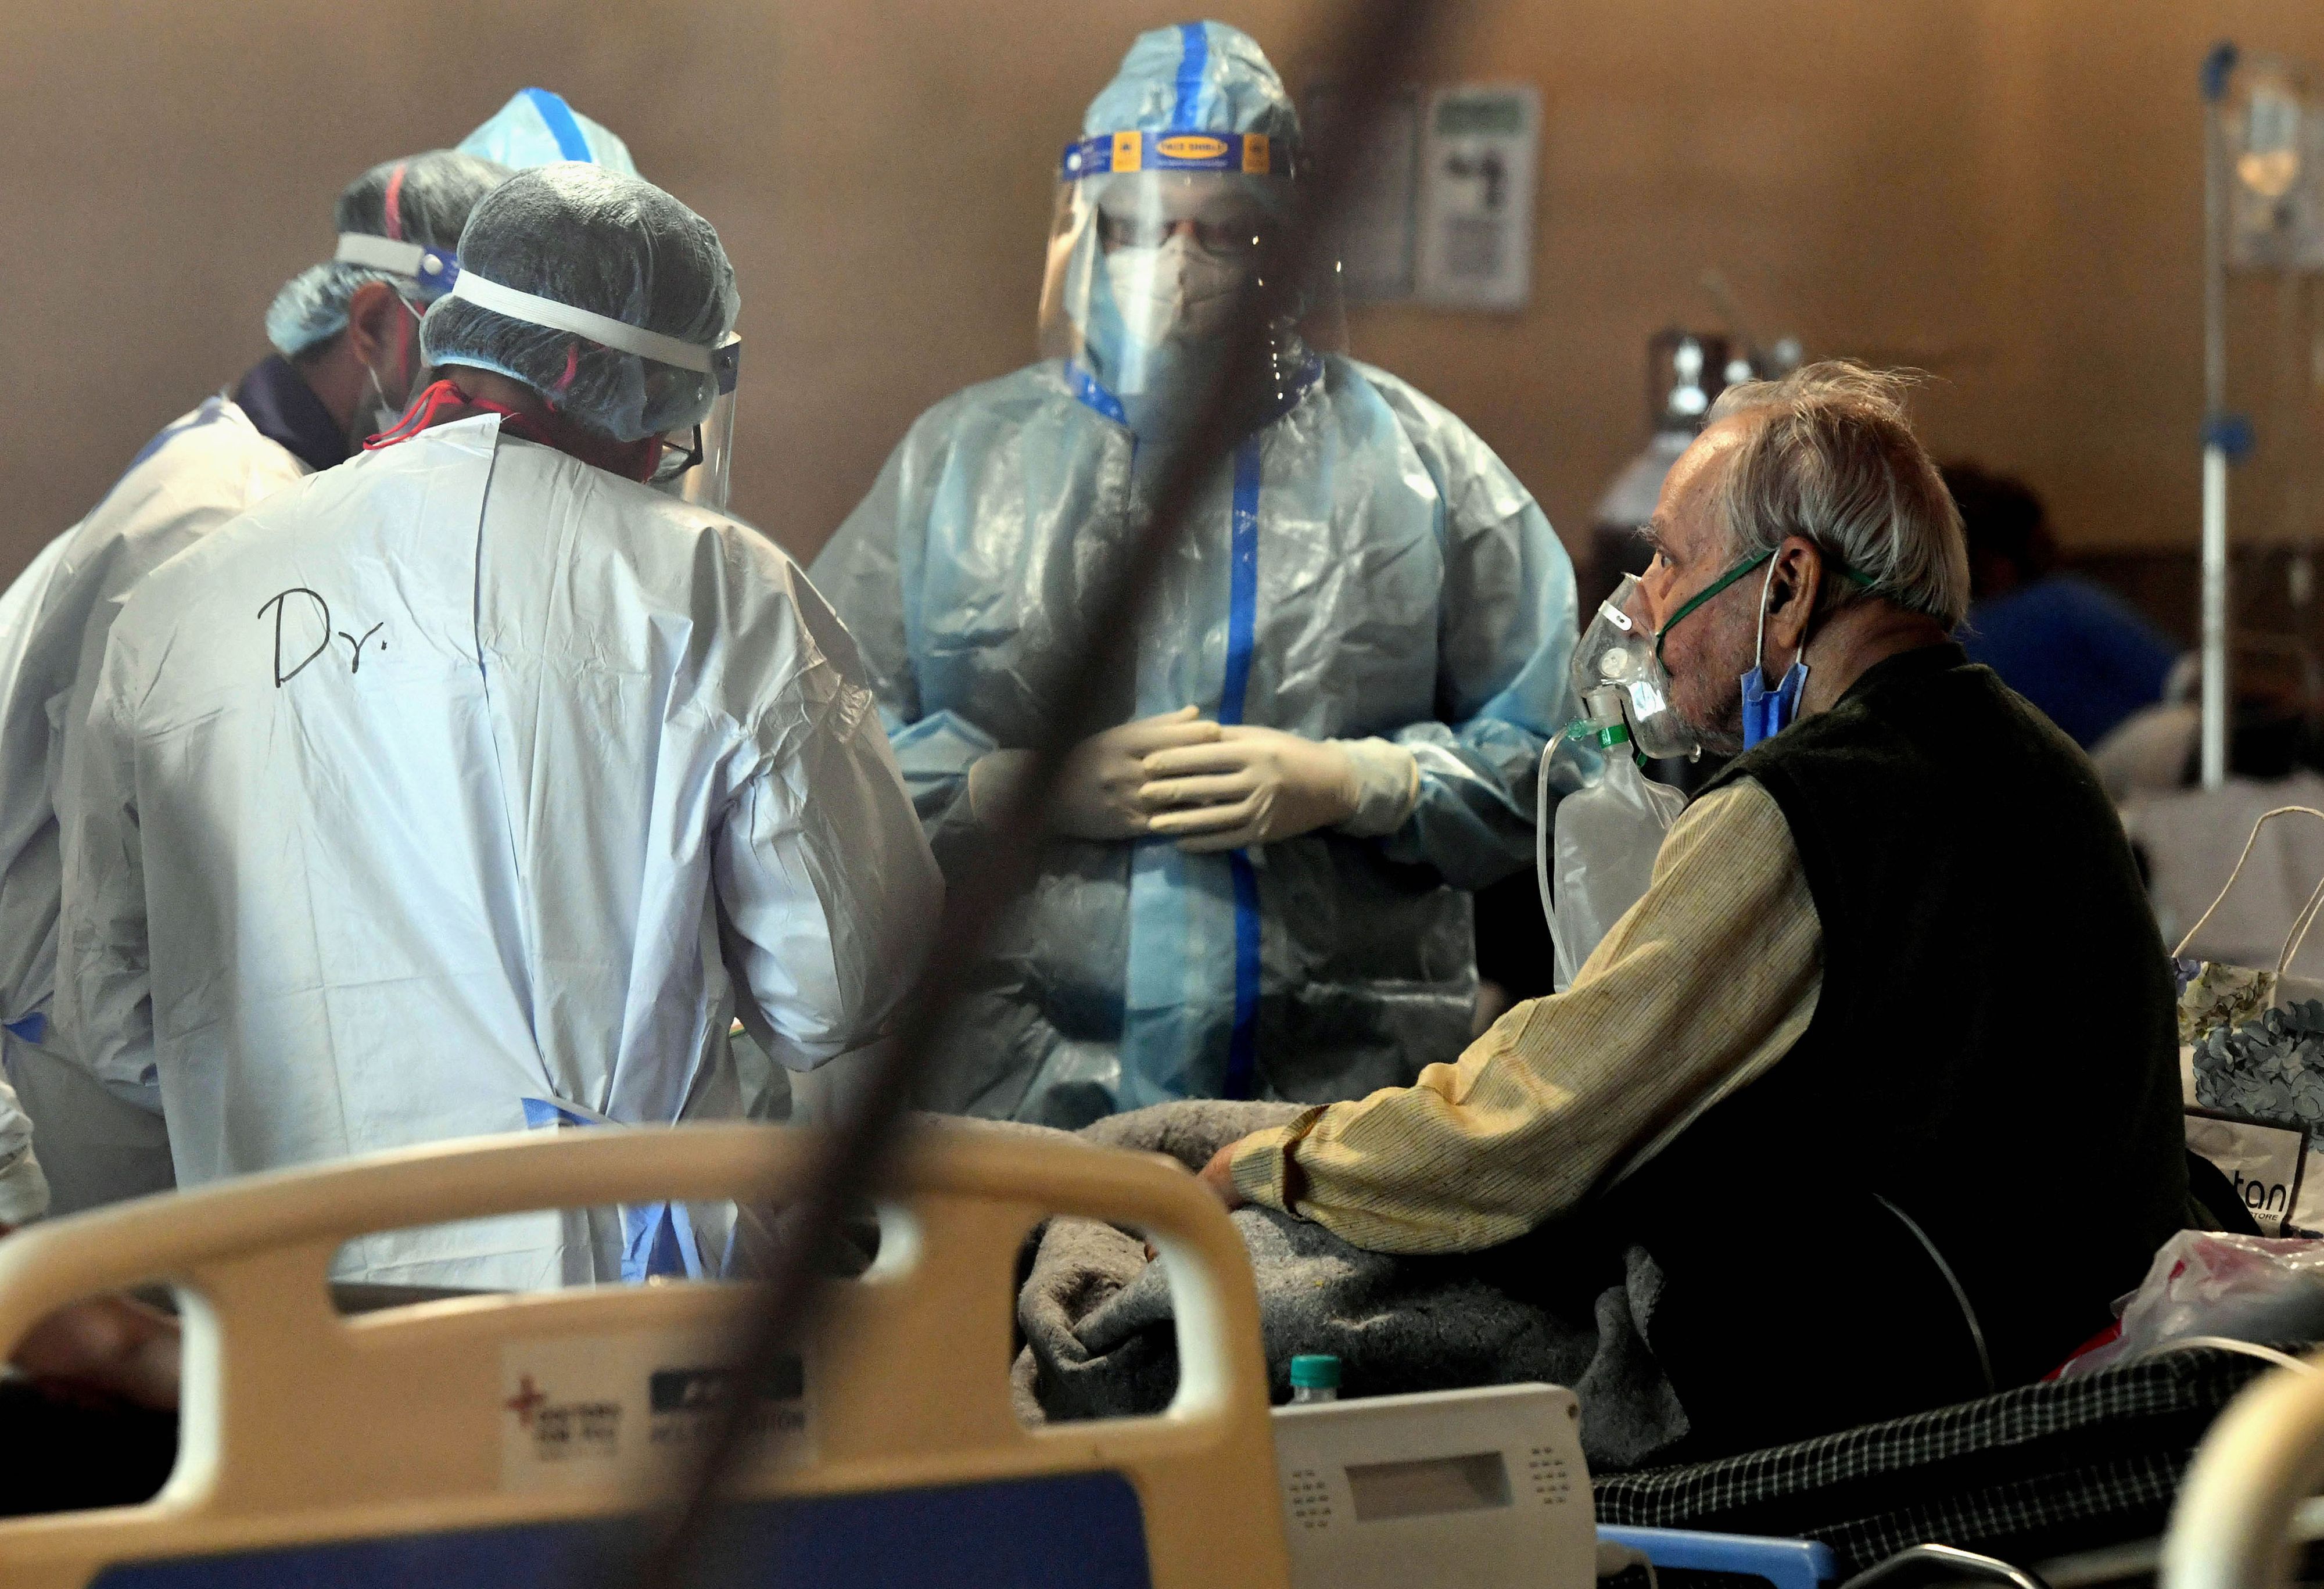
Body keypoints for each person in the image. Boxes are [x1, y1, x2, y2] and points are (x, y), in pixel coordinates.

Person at [1198, 363, 2192, 1457]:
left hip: (1887, 1397)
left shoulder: (1805, 808)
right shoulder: (2037, 759)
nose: (1642, 606)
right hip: (2049, 1355)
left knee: (1241, 1258)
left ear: (1790, 584)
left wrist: (1277, 1167)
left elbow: (1543, 1121)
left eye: (1671, 559)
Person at [59, 166, 942, 1291]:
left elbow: (117, 1015)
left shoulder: (189, 596)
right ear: (655, 392)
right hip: (592, 1289)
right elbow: (842, 982)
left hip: (275, 1283)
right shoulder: (717, 586)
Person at [812, 21, 1578, 1128]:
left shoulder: (1417, 466)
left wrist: (1356, 783)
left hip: (1325, 1118)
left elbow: (1559, 759)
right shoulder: (961, 465)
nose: (1176, 266)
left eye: (1221, 233)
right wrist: (1013, 789)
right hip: (1011, 1102)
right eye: (1141, 229)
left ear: (1287, 247)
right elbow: (820, 756)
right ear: (1085, 230)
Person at [0, 149, 512, 1219]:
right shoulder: (219, 516)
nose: (482, 402)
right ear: (371, 323)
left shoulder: (274, 479)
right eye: (464, 355)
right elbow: (118, 878)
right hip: (101, 1089)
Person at [1946, 462, 2179, 748]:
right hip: (2149, 749)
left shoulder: (1946, 640)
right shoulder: (2058, 601)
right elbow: (2178, 679)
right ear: (1994, 562)